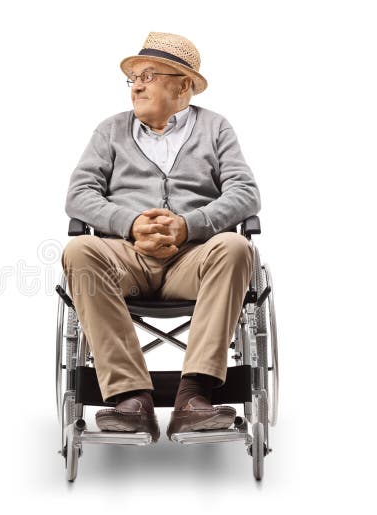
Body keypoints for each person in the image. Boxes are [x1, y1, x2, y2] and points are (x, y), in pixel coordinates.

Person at [62, 32, 260, 441]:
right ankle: (132, 398)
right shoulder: (110, 131)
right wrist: (131, 223)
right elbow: (79, 196)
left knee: (237, 246)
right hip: (126, 258)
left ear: (183, 85)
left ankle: (194, 397)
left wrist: (190, 224)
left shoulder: (215, 128)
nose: (136, 84)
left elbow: (245, 193)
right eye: (133, 77)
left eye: (148, 75)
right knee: (78, 250)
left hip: (195, 258)